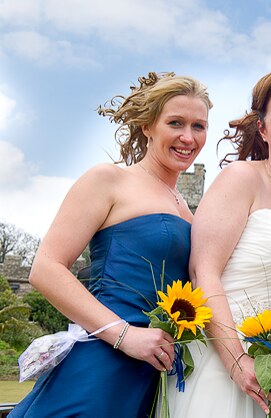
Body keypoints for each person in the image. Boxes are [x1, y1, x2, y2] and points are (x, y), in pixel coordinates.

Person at [10, 72, 212, 417]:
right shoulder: (109, 180)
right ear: (147, 126)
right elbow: (45, 269)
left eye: (199, 126)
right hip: (103, 362)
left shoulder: (186, 209)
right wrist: (125, 336)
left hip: (154, 374)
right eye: (175, 123)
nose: (187, 137)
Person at [166, 70, 271, 418]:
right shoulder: (241, 177)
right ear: (263, 128)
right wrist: (237, 360)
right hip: (222, 356)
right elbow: (203, 271)